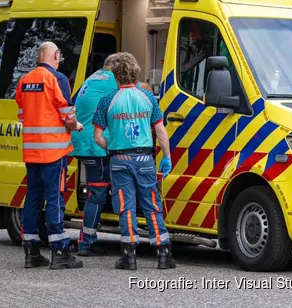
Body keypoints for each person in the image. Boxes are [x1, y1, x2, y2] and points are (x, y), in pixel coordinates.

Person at [93, 52, 176, 270]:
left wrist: (111, 148)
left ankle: (129, 256)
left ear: (115, 76)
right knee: (151, 204)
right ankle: (163, 253)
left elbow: (97, 137)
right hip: (144, 158)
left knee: (126, 206)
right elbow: (160, 131)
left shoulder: (107, 100)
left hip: (119, 159)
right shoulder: (148, 98)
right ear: (135, 73)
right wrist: (167, 158)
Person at [16, 41, 85, 269]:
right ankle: (59, 252)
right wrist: (76, 126)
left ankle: (31, 252)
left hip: (31, 151)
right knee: (55, 198)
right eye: (59, 56)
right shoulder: (58, 79)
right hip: (53, 152)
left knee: (33, 199)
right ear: (55, 55)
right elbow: (66, 113)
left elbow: (22, 114)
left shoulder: (25, 81)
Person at [70, 54, 120, 257]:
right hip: (96, 145)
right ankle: (86, 242)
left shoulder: (91, 79)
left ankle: (88, 238)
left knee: (96, 192)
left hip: (83, 141)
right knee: (97, 194)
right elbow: (132, 94)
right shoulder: (113, 81)